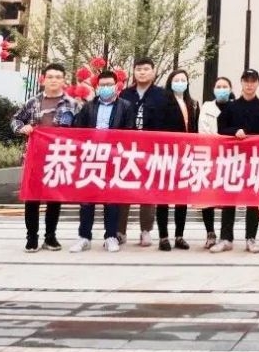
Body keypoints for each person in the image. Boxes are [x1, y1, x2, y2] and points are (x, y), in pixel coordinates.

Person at [68, 69, 135, 253]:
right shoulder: (88, 106)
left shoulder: (126, 106)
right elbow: (77, 129)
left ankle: (111, 236)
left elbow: (130, 131)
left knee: (112, 199)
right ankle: (84, 237)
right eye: (102, 85)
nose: (105, 88)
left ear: (116, 86)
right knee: (87, 199)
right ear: (97, 87)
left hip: (113, 157)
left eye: (109, 85)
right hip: (92, 157)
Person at [11, 63, 77, 252]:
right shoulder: (33, 102)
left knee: (54, 198)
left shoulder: (72, 104)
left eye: (58, 77)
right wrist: (21, 128)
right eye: (50, 77)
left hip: (58, 157)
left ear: (63, 80)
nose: (54, 80)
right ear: (44, 79)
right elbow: (16, 119)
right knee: (32, 198)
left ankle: (51, 237)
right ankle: (31, 237)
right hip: (35, 156)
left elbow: (81, 128)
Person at [216, 69, 259, 253]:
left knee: (252, 200)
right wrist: (235, 132)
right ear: (241, 82)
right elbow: (221, 129)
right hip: (232, 160)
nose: (249, 84)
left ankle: (251, 238)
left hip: (253, 160)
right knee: (229, 199)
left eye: (253, 81)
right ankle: (226, 238)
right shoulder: (230, 107)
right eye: (246, 81)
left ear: (258, 83)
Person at [118, 57, 169, 246]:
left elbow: (169, 123)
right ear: (134, 72)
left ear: (153, 72)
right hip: (126, 150)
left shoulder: (162, 95)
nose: (142, 72)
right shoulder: (125, 94)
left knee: (148, 190)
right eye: (138, 69)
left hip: (151, 150)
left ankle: (146, 230)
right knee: (123, 189)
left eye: (146, 69)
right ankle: (120, 231)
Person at [155, 69, 198, 251]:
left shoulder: (192, 104)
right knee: (163, 197)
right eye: (176, 80)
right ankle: (163, 236)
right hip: (167, 153)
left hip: (186, 154)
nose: (180, 82)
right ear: (170, 82)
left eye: (183, 80)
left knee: (182, 196)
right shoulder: (163, 102)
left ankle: (179, 235)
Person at [200, 76, 232, 250]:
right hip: (210, 155)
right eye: (218, 86)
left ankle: (226, 234)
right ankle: (210, 233)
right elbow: (203, 130)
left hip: (229, 157)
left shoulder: (234, 107)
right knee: (207, 196)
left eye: (225, 86)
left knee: (228, 196)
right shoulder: (206, 107)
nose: (222, 89)